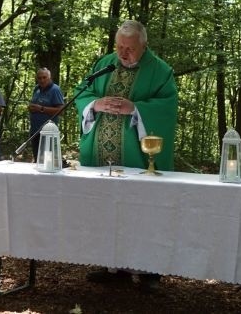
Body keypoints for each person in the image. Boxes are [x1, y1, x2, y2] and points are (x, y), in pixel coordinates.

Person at [74, 20, 178, 292]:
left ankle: (149, 270)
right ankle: (112, 265)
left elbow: (167, 108)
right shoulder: (104, 64)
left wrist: (136, 109)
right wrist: (95, 104)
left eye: (129, 49)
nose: (122, 53)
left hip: (138, 159)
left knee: (143, 211)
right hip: (100, 158)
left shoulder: (160, 71)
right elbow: (81, 92)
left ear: (144, 46)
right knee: (106, 210)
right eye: (119, 46)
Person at [28, 68, 64, 159]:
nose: (42, 80)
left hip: (48, 132)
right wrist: (32, 108)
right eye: (39, 78)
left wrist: (41, 109)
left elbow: (61, 110)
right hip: (35, 131)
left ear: (49, 78)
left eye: (44, 77)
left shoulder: (55, 89)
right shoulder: (37, 88)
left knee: (48, 160)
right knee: (37, 159)